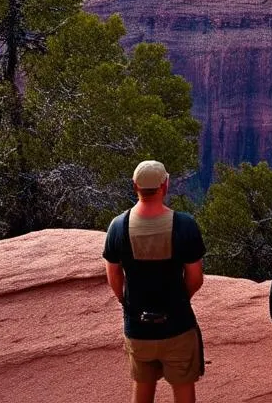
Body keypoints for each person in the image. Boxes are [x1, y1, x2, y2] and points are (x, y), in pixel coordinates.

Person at [104, 160, 207, 403]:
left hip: (138, 328)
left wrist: (127, 303)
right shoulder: (185, 225)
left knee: (142, 386)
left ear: (134, 186)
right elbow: (195, 278)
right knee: (183, 388)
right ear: (165, 186)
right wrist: (181, 301)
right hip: (178, 327)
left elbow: (113, 276)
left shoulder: (118, 226)